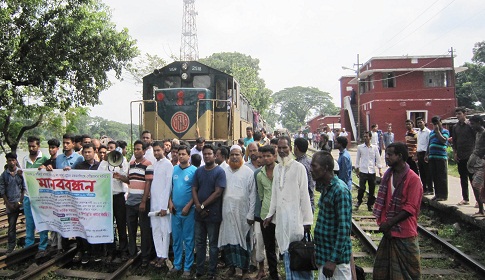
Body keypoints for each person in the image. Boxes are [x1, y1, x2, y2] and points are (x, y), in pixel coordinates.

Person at [263, 136, 313, 280]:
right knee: (286, 252)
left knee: (298, 254)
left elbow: (305, 195)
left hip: (296, 219)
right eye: (280, 148)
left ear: (290, 149)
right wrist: (270, 214)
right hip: (282, 220)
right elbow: (274, 194)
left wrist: (307, 221)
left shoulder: (299, 168)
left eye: (285, 147)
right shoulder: (277, 169)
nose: (282, 151)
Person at [373, 142, 423, 280]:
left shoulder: (413, 179)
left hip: (405, 232)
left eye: (389, 154)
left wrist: (389, 223)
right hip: (389, 233)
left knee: (411, 272)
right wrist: (384, 223)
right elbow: (383, 204)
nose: (386, 157)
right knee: (383, 271)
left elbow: (410, 208)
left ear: (399, 156)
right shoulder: (388, 176)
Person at [311, 151, 352, 280]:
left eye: (314, 166)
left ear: (326, 168)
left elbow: (344, 229)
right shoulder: (326, 187)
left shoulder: (340, 190)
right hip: (325, 255)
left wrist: (333, 260)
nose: (311, 170)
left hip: (336, 262)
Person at [218, 146, 256, 279]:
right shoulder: (224, 171)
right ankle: (232, 268)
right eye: (232, 154)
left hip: (243, 215)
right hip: (227, 213)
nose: (234, 157)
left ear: (242, 155)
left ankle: (245, 271)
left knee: (244, 242)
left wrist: (251, 214)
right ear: (229, 156)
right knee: (229, 241)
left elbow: (253, 195)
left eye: (237, 154)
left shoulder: (248, 172)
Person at [114, 140, 154, 266]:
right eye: (135, 149)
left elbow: (148, 183)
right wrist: (120, 177)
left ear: (144, 151)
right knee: (130, 230)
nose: (136, 151)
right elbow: (130, 180)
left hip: (142, 203)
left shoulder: (148, 164)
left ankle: (145, 257)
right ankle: (132, 254)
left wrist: (143, 201)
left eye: (138, 149)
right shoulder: (131, 164)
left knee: (144, 230)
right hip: (130, 202)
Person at [192, 144, 226, 279]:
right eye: (204, 154)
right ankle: (199, 270)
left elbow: (218, 192)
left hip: (213, 214)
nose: (207, 156)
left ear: (215, 155)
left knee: (213, 244)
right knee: (199, 243)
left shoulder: (219, 172)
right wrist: (197, 205)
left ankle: (212, 271)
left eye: (209, 154)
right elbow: (194, 188)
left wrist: (202, 206)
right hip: (199, 215)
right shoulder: (199, 171)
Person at [98, 141, 129, 263]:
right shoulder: (103, 163)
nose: (110, 150)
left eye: (112, 148)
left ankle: (123, 251)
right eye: (108, 148)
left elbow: (126, 175)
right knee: (108, 225)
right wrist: (105, 161)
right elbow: (99, 176)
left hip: (119, 196)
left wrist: (120, 166)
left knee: (121, 224)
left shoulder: (123, 160)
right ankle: (110, 251)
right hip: (107, 197)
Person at [169, 145, 197, 278]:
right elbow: (169, 188)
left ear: (189, 155)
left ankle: (187, 267)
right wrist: (170, 203)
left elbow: (196, 192)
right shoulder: (174, 170)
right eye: (179, 154)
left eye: (183, 154)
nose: (180, 156)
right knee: (176, 239)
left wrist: (189, 205)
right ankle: (177, 265)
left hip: (189, 212)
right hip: (175, 212)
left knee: (189, 239)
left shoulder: (194, 171)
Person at [72, 143, 101, 264]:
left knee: (94, 227)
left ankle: (95, 252)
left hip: (96, 203)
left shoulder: (100, 167)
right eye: (85, 152)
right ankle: (84, 251)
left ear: (95, 152)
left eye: (89, 152)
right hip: (82, 203)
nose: (87, 154)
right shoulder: (78, 167)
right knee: (82, 227)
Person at [22, 136, 49, 258]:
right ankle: (29, 245)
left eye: (34, 146)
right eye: (30, 146)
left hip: (41, 196)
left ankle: (43, 246)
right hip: (28, 195)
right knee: (29, 222)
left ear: (38, 146)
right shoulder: (25, 159)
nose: (31, 148)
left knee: (42, 221)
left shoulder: (44, 158)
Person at [257, 145, 280, 280]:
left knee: (282, 245)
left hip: (281, 214)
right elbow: (261, 195)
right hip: (265, 215)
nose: (265, 158)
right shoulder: (260, 175)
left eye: (268, 156)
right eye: (263, 156)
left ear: (274, 156)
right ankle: (274, 274)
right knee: (269, 246)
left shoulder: (281, 171)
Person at [150, 141, 174, 268]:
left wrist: (164, 206)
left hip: (162, 204)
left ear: (164, 150)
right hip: (154, 203)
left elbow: (168, 186)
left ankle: (164, 255)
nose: (156, 153)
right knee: (156, 229)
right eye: (154, 151)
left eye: (158, 150)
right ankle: (159, 254)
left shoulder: (168, 164)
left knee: (164, 230)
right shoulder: (155, 164)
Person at [244, 143, 265, 279]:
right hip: (251, 209)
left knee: (264, 240)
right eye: (250, 150)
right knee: (252, 237)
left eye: (255, 150)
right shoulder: (245, 168)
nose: (253, 153)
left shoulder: (266, 169)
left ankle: (266, 265)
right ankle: (253, 263)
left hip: (265, 210)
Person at [0, 153, 25, 254]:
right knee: (11, 226)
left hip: (21, 202)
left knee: (30, 223)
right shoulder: (4, 175)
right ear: (7, 161)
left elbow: (24, 188)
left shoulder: (21, 173)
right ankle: (11, 246)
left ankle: (29, 243)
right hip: (10, 203)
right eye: (9, 160)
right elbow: (2, 191)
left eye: (13, 160)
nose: (11, 162)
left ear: (16, 161)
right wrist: (8, 204)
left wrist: (20, 201)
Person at [355, 131, 383, 211]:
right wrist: (357, 169)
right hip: (363, 171)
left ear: (370, 137)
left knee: (372, 189)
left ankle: (370, 204)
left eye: (367, 136)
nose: (365, 138)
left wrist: (380, 169)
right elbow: (357, 159)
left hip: (372, 171)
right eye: (364, 136)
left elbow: (378, 159)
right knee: (362, 188)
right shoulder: (360, 147)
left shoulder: (374, 148)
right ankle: (359, 201)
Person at [453, 107, 475, 206]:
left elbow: (477, 138)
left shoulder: (471, 125)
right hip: (460, 155)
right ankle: (465, 198)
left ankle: (478, 200)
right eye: (456, 114)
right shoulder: (455, 127)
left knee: (473, 178)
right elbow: (454, 141)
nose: (458, 116)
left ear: (465, 114)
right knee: (463, 178)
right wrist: (455, 153)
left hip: (470, 155)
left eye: (459, 114)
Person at [426, 116, 450, 201]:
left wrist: (437, 132)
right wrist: (427, 154)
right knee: (434, 176)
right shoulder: (431, 133)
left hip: (441, 156)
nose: (436, 125)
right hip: (432, 156)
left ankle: (443, 195)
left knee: (442, 176)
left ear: (441, 122)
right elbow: (429, 144)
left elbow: (443, 140)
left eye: (437, 123)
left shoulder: (445, 131)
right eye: (434, 123)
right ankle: (437, 194)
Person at [467, 115, 485, 216]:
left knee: (477, 185)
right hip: (476, 163)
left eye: (473, 124)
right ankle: (481, 209)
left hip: (481, 163)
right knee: (476, 186)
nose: (472, 126)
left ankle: (482, 210)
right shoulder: (477, 133)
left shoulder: (484, 133)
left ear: (479, 122)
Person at [294, 137, 316, 212]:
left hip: (301, 203)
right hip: (310, 199)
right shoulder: (310, 162)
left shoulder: (297, 165)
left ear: (296, 147)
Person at [416, 118, 432, 195]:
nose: (419, 124)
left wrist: (427, 154)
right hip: (419, 153)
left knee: (427, 172)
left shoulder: (428, 132)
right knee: (421, 172)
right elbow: (418, 144)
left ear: (424, 122)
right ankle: (424, 188)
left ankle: (430, 189)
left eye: (420, 122)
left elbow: (429, 144)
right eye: (418, 123)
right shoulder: (418, 132)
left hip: (425, 153)